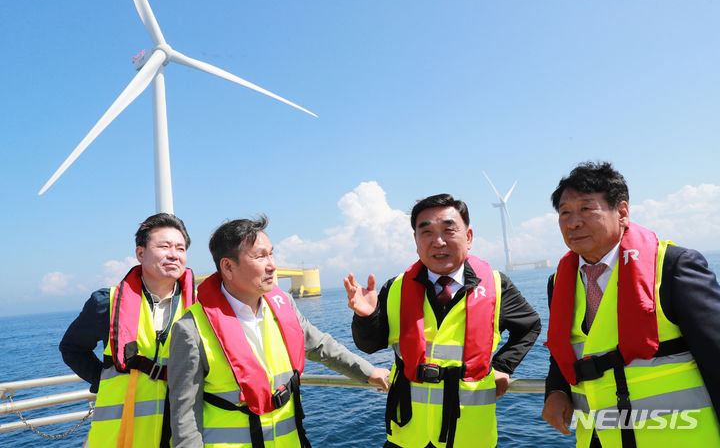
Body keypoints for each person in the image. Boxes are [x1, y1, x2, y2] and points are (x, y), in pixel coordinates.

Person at [168, 216, 390, 447]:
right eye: (260, 256)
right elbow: (185, 420)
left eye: (271, 254)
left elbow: (320, 345)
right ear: (228, 266)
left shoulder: (283, 306)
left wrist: (368, 372)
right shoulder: (191, 329)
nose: (272, 265)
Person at [542, 161, 720, 447]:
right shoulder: (558, 283)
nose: (573, 222)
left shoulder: (673, 266)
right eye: (565, 213)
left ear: (622, 212)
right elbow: (566, 349)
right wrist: (556, 390)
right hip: (596, 439)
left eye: (587, 209)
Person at [347, 193, 541, 448]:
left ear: (469, 237)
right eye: (426, 232)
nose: (438, 242)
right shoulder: (394, 288)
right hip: (406, 435)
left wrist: (503, 366)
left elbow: (529, 326)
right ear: (416, 241)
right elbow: (370, 345)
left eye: (449, 230)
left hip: (469, 436)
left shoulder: (496, 285)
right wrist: (366, 317)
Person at [59, 213, 195, 447]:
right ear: (140, 253)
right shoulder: (107, 303)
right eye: (164, 246)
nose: (174, 254)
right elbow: (72, 348)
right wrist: (106, 379)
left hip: (183, 437)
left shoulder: (201, 305)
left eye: (180, 248)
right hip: (123, 438)